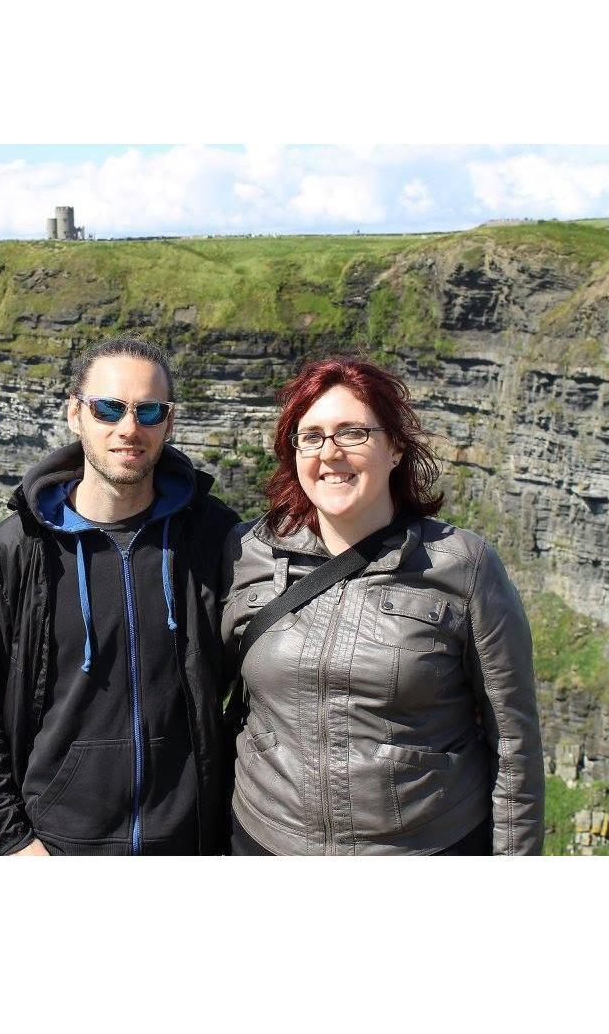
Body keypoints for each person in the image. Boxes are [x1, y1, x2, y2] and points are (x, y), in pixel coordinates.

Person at [221, 357, 544, 855]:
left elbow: (513, 744)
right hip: (267, 841)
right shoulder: (247, 553)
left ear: (395, 448)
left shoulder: (463, 565)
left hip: (424, 847)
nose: (330, 454)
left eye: (353, 433)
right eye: (312, 436)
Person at [0, 336, 240, 855]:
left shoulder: (213, 538)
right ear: (74, 414)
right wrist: (12, 837)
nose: (129, 428)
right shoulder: (18, 550)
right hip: (55, 843)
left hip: (187, 842)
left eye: (149, 410)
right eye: (109, 408)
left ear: (169, 423)